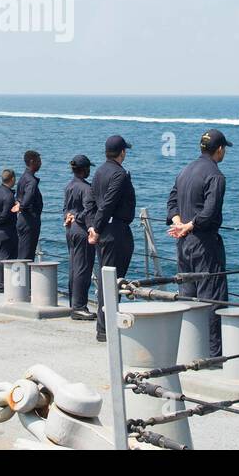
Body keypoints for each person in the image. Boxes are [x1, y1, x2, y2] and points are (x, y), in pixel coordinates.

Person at [166, 129, 235, 359]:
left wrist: (179, 223)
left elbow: (172, 201)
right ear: (220, 149)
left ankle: (188, 347)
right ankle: (212, 354)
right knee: (212, 297)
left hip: (183, 242)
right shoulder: (216, 175)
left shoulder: (185, 170)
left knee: (186, 293)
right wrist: (190, 225)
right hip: (204, 243)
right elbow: (210, 211)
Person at [89, 135, 136, 342]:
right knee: (113, 282)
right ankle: (106, 328)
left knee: (106, 279)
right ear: (122, 152)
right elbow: (109, 203)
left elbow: (90, 202)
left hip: (103, 231)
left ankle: (105, 327)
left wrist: (92, 226)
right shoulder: (119, 175)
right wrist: (97, 228)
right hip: (116, 231)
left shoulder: (99, 171)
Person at [64, 154, 97, 319]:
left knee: (73, 267)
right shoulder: (87, 188)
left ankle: (73, 303)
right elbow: (88, 210)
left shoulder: (69, 186)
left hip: (70, 229)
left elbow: (65, 208)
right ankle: (79, 307)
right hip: (82, 229)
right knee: (83, 268)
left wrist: (69, 216)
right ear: (84, 170)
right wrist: (80, 219)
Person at [0, 169, 18, 292]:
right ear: (12, 179)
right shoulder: (9, 196)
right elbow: (6, 214)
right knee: (4, 258)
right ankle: (2, 285)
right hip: (6, 230)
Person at [16, 150, 44, 260]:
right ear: (32, 162)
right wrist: (22, 206)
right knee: (26, 255)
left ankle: (22, 276)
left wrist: (19, 205)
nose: (40, 163)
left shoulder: (23, 177)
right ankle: (23, 277)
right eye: (39, 161)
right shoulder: (31, 181)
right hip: (29, 221)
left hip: (23, 219)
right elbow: (28, 197)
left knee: (23, 251)